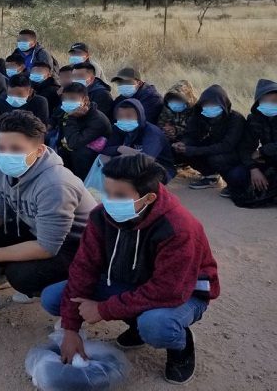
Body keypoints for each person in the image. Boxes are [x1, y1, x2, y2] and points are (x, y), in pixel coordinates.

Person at [43, 154, 219, 385]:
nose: (109, 201)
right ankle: (136, 323)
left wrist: (104, 309)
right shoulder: (100, 216)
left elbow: (169, 291)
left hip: (183, 293)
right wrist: (71, 329)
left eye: (120, 196)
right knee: (53, 298)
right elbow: (83, 268)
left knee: (156, 325)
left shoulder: (179, 228)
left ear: (148, 198)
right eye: (107, 192)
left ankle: (181, 345)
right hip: (132, 281)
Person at [0, 110, 96, 300]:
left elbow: (47, 247)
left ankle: (68, 291)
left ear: (39, 150)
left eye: (16, 149)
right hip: (36, 229)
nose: (6, 155)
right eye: (1, 148)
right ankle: (2, 271)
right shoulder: (0, 168)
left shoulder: (56, 184)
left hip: (75, 247)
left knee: (21, 275)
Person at [173, 85, 245, 195]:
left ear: (223, 103)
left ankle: (232, 184)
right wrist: (183, 144)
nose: (209, 107)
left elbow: (227, 145)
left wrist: (193, 150)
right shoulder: (199, 115)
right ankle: (211, 176)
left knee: (216, 159)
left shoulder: (236, 119)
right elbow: (191, 134)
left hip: (235, 154)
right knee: (183, 151)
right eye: (206, 104)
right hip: (211, 147)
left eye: (214, 104)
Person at [104, 99, 175, 182]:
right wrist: (119, 148)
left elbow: (147, 159)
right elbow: (105, 150)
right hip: (130, 162)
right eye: (120, 116)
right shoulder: (119, 128)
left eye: (129, 116)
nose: (124, 119)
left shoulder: (152, 133)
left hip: (159, 168)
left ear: (139, 116)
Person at [229, 78, 277, 203]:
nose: (270, 104)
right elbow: (245, 147)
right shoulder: (254, 119)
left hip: (267, 154)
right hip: (269, 159)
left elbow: (260, 151)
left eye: (274, 101)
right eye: (265, 101)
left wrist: (262, 151)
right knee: (236, 175)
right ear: (258, 102)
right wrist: (253, 169)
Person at [54, 83, 112, 180]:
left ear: (85, 100)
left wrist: (71, 118)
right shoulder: (69, 112)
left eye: (72, 99)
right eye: (64, 99)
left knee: (80, 154)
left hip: (93, 158)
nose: (67, 102)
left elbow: (74, 143)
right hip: (73, 151)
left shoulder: (98, 120)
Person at [157, 80, 198, 145]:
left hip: (188, 142)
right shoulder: (167, 107)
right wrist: (166, 130)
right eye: (172, 98)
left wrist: (176, 130)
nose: (175, 101)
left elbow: (194, 130)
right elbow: (161, 123)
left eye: (178, 99)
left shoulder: (195, 110)